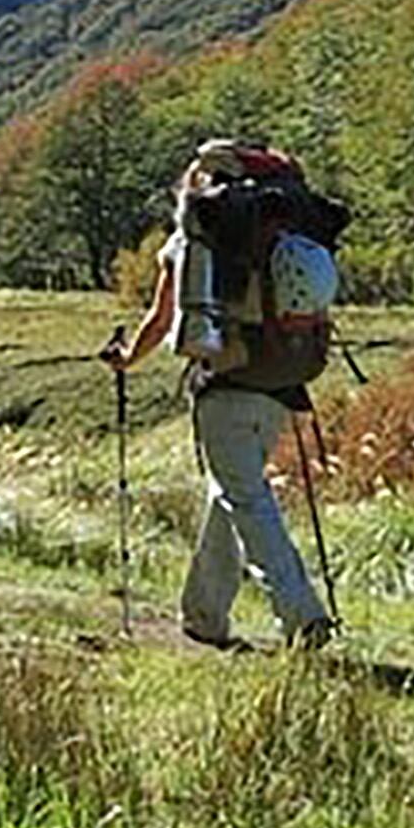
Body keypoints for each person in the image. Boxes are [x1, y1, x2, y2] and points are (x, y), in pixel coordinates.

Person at [101, 141, 334, 651]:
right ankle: (204, 616)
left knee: (244, 497)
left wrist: (127, 358)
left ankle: (302, 615)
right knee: (231, 493)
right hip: (281, 379)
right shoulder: (285, 228)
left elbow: (162, 317)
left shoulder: (194, 237)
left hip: (224, 383)